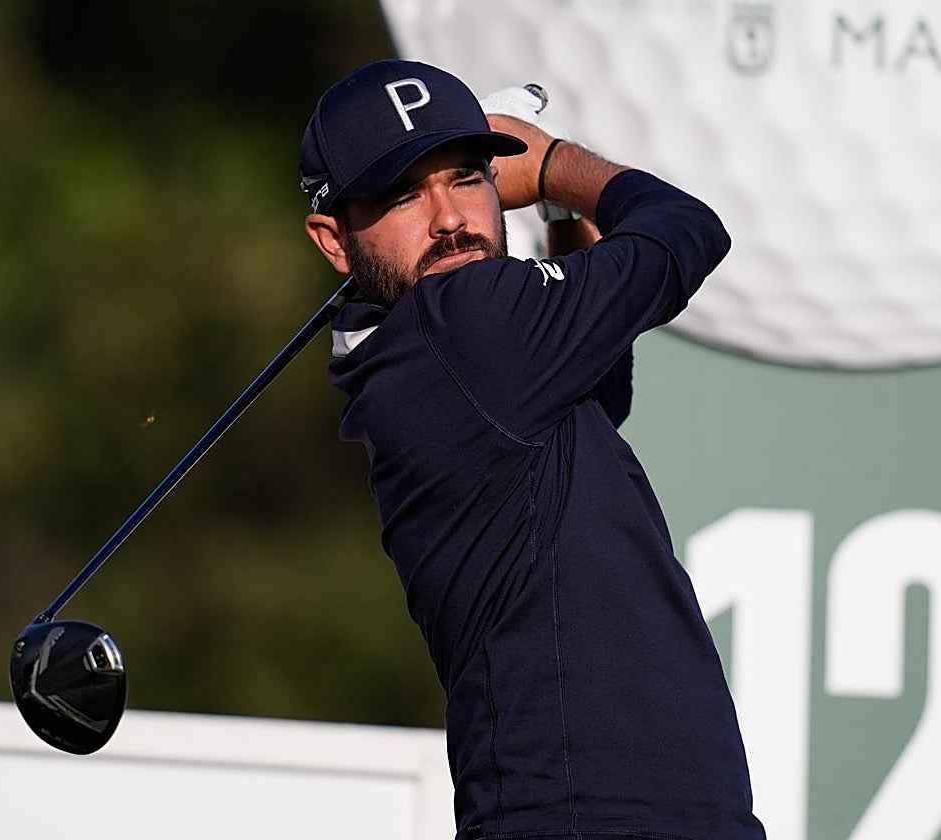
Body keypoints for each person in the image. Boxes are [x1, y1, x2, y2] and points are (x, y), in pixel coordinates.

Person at [300, 59, 765, 840]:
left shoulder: (439, 354)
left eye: (468, 177)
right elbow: (685, 230)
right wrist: (551, 161)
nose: (450, 217)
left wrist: (554, 207)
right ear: (334, 239)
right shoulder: (463, 320)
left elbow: (599, 390)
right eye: (404, 193)